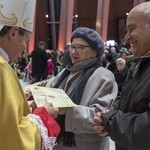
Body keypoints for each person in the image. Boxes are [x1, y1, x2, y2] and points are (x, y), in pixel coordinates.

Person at [0, 0, 60, 149]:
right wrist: (42, 116)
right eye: (26, 40)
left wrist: (20, 102)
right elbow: (13, 140)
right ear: (13, 33)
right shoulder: (1, 69)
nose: (25, 48)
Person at [48, 27, 118, 150]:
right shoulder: (65, 72)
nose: (74, 52)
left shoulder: (103, 76)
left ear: (95, 52)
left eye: (80, 47)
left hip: (86, 144)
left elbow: (101, 118)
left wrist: (68, 110)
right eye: (72, 47)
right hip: (59, 140)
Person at [93, 2, 150, 150]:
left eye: (131, 28)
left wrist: (109, 120)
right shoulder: (140, 64)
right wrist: (110, 117)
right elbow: (129, 102)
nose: (126, 37)